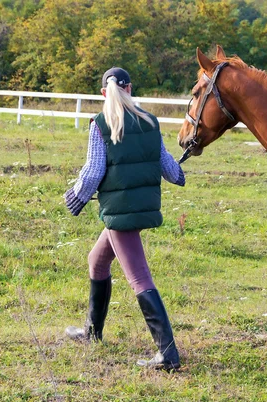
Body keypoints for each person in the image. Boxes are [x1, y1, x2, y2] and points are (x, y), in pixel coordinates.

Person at [64, 67, 185, 370]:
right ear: (130, 88)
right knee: (97, 260)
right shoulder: (149, 121)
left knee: (139, 277)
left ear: (104, 93)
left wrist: (75, 198)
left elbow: (93, 171)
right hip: (140, 207)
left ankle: (168, 355)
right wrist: (179, 175)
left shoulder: (102, 124)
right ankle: (92, 332)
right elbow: (167, 165)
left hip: (120, 211)